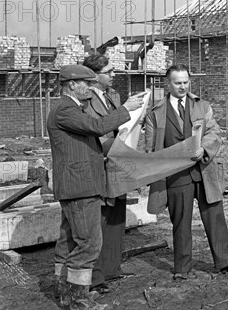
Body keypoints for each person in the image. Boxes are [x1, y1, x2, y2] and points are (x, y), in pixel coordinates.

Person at [48, 64, 143, 310]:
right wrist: (126, 110)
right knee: (89, 242)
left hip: (78, 185)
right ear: (71, 85)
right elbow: (97, 127)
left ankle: (65, 293)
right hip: (80, 187)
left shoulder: (69, 109)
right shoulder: (65, 110)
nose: (90, 89)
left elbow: (87, 144)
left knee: (69, 241)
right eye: (86, 84)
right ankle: (79, 300)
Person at [144, 64, 228, 279]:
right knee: (180, 222)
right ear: (167, 84)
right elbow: (150, 148)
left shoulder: (202, 106)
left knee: (215, 217)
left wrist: (204, 148)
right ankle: (182, 268)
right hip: (176, 175)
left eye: (186, 82)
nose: (182, 86)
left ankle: (224, 262)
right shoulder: (155, 114)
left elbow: (214, 132)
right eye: (178, 83)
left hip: (204, 171)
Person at [82, 55, 129, 295]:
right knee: (98, 221)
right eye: (109, 71)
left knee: (116, 217)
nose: (113, 75)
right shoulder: (84, 100)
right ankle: (96, 277)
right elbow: (93, 131)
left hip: (117, 162)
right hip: (99, 163)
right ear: (93, 75)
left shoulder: (113, 97)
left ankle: (112, 269)